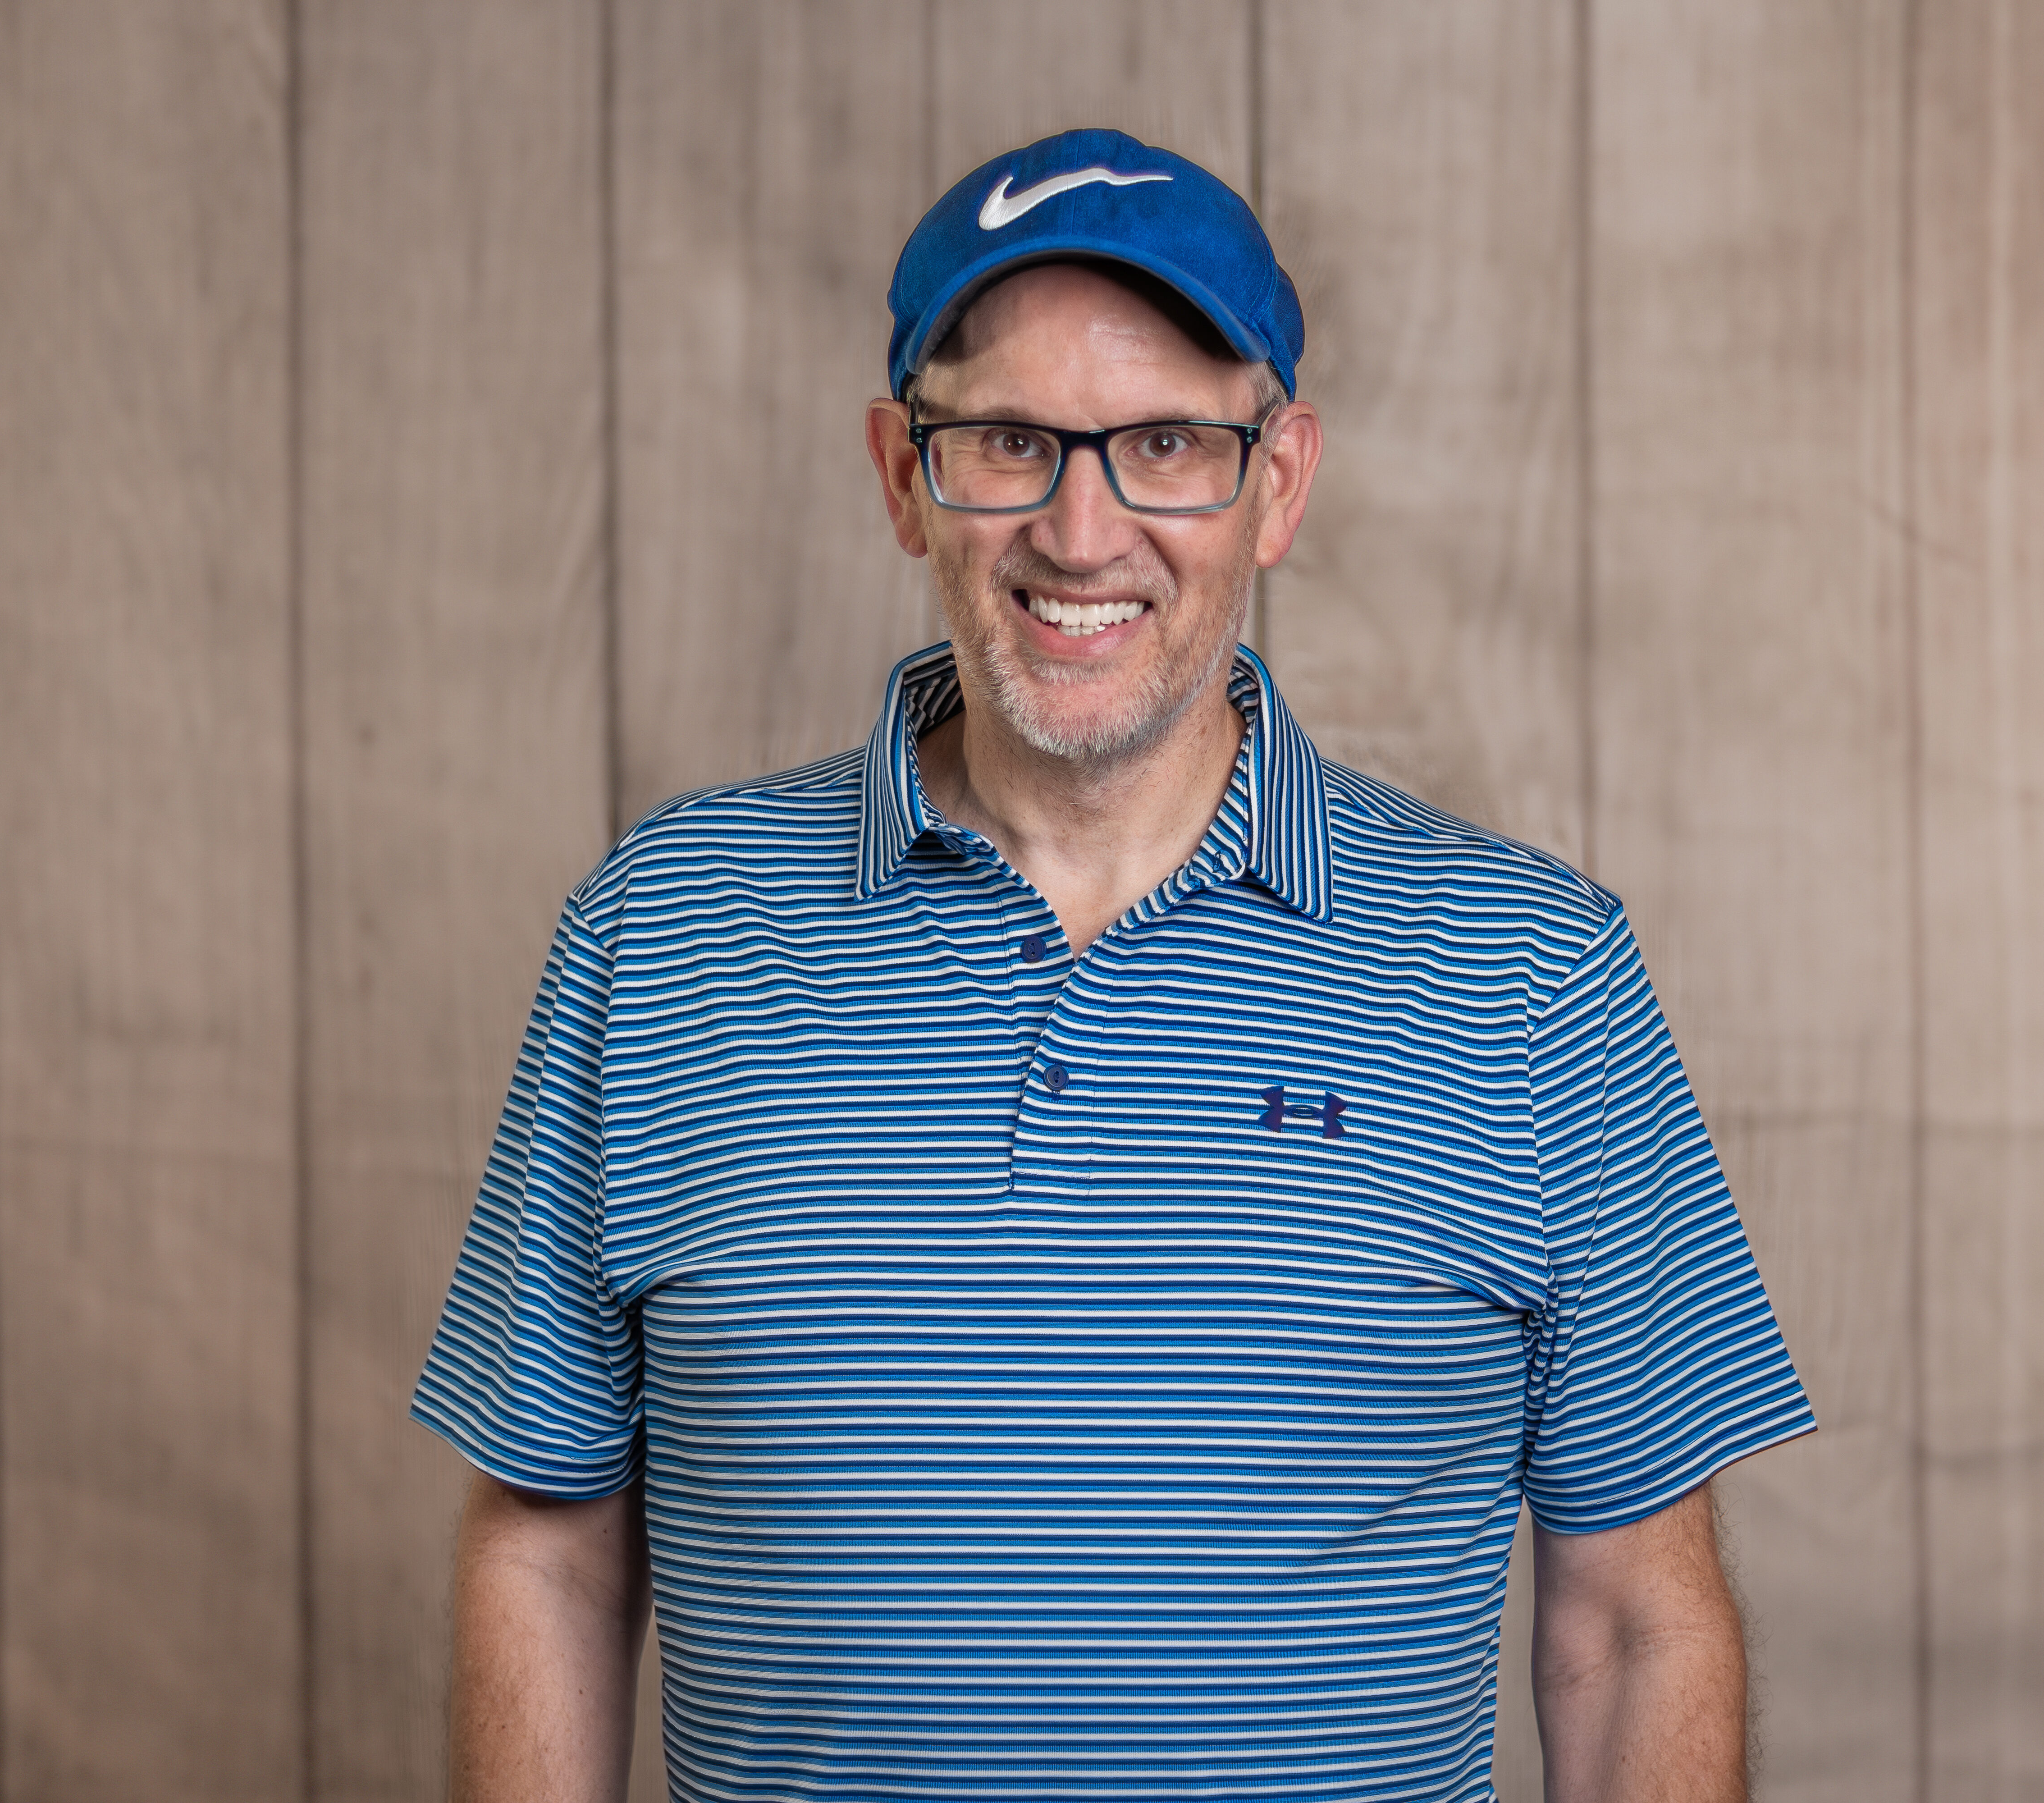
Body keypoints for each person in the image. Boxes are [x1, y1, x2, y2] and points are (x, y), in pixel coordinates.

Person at [414, 127, 1813, 1803]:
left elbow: (1635, 1624)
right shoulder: (663, 931)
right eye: (1007, 440)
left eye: (1165, 445)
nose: (1082, 533)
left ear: (1277, 484)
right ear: (900, 474)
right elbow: (548, 1554)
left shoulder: (1527, 972)